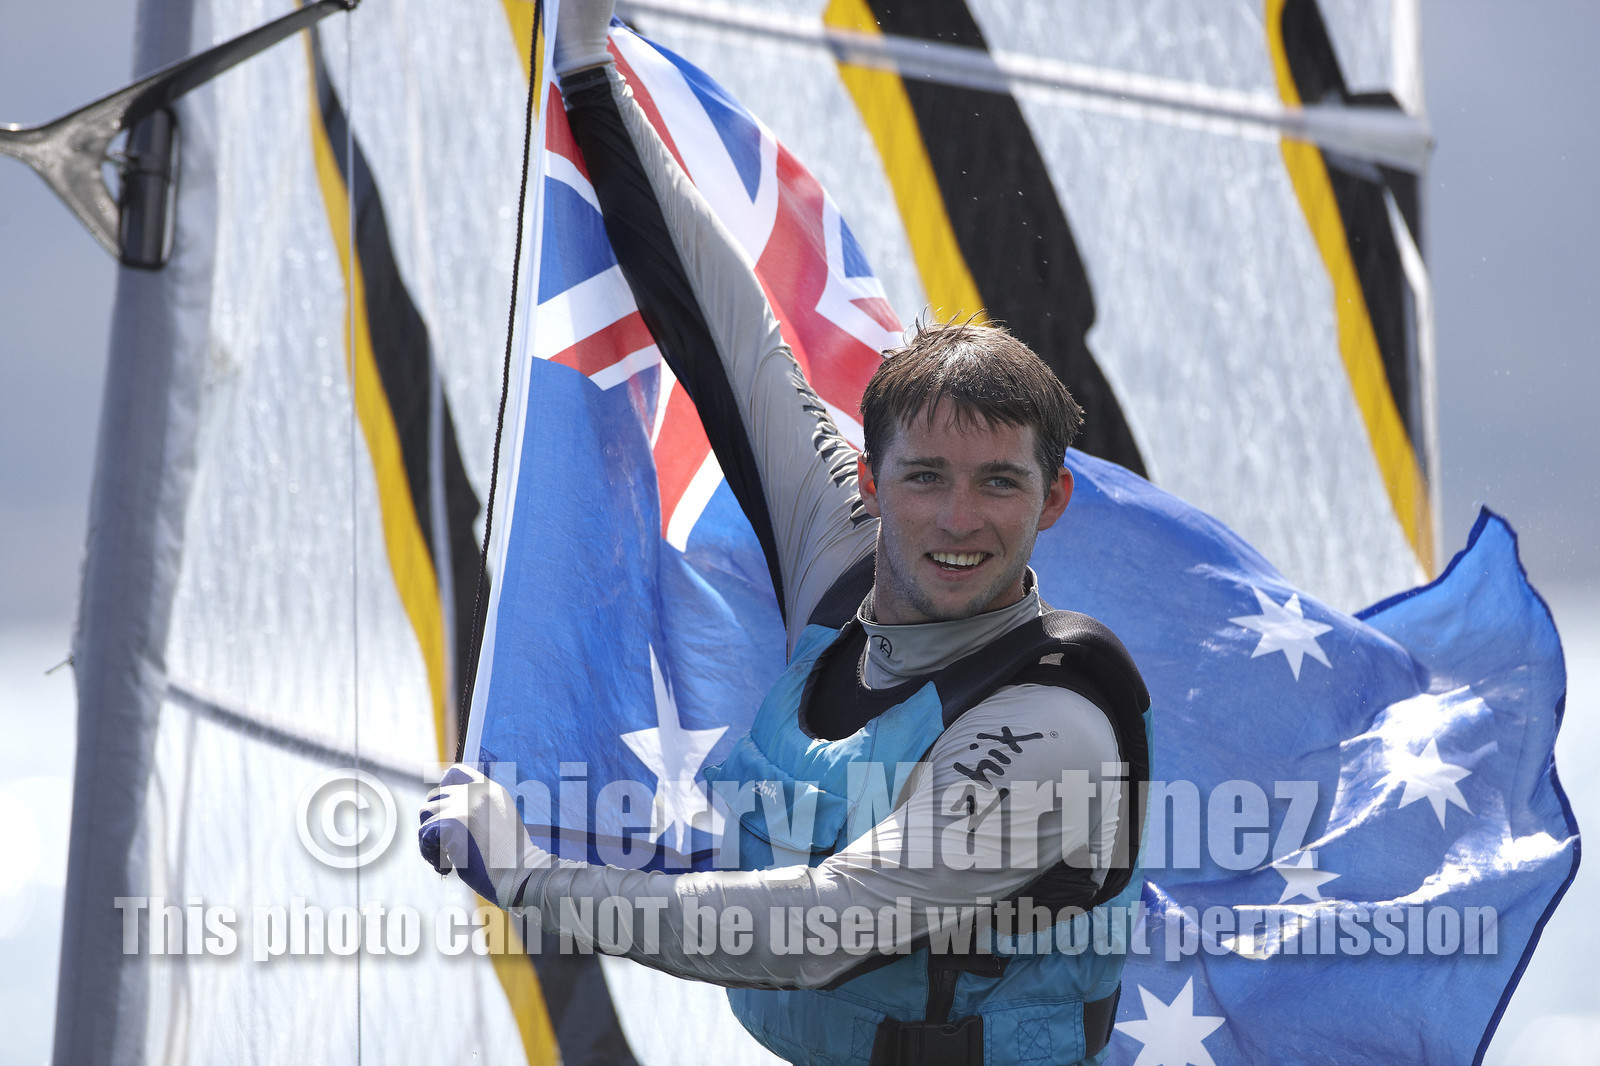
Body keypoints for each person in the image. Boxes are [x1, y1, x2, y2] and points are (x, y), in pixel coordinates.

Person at [420, 3, 1150, 1062]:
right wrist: (586, 72)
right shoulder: (841, 550)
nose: (957, 519)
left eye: (998, 483)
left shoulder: (1049, 729)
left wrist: (532, 875)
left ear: (1051, 502)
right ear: (868, 478)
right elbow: (727, 328)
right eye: (926, 478)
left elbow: (823, 926)